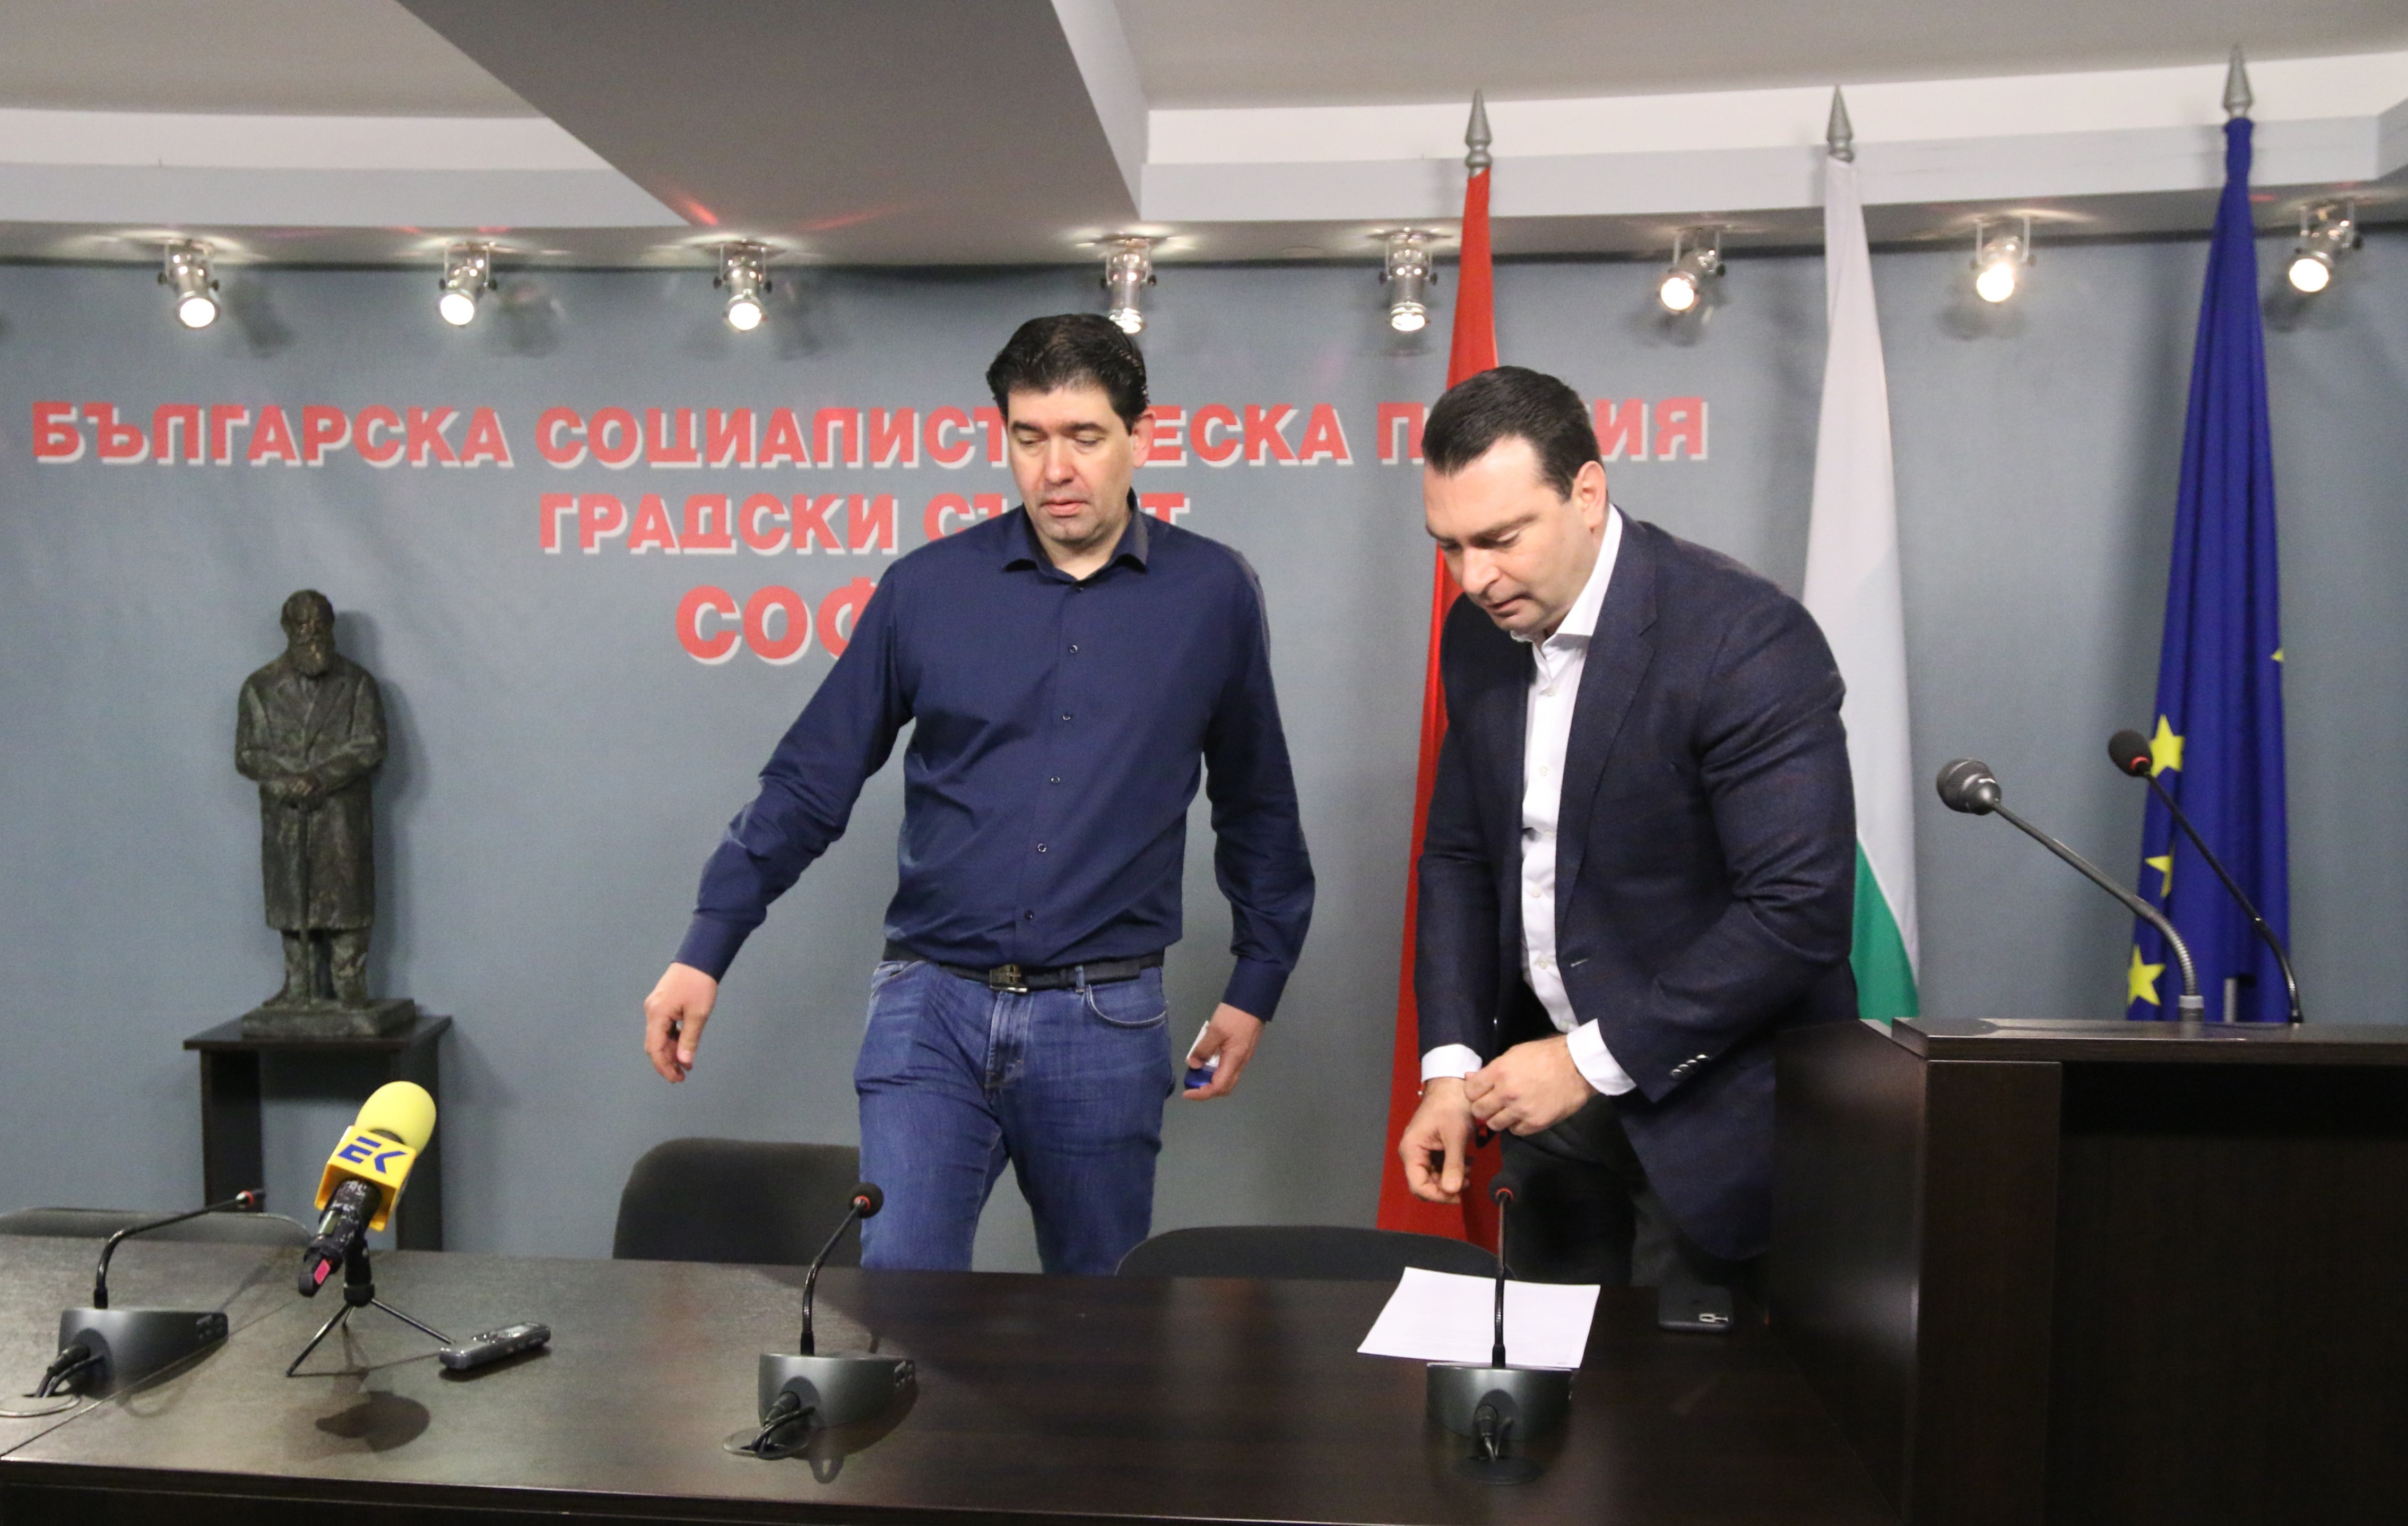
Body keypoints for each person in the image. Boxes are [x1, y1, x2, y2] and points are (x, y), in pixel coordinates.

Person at [643, 314, 1314, 1275]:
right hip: (929, 1007)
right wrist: (705, 947)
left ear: (1141, 435)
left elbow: (1256, 804)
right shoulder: (927, 588)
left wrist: (1255, 982)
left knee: (1098, 1321)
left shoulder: (1212, 593)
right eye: (1028, 437)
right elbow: (808, 781)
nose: (1055, 469)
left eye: (1084, 437)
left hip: (1104, 1018)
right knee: (900, 1302)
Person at [1396, 366, 1855, 1295]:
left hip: (1713, 1117)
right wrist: (1449, 1066)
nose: (1473, 578)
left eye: (1499, 539)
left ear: (1587, 493)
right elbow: (1459, 857)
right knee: (1545, 1380)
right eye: (1449, 546)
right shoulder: (1477, 633)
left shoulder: (1743, 637)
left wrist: (1587, 1059)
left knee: (1688, 1392)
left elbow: (1796, 910)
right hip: (1545, 1115)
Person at [236, 589, 388, 1009]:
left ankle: (349, 983)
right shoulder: (261, 686)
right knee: (292, 899)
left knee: (346, 900)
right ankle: (300, 984)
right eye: (303, 624)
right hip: (287, 813)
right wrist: (284, 781)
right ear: (287, 628)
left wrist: (320, 777)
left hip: (340, 811)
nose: (312, 632)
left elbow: (371, 744)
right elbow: (248, 752)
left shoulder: (357, 683)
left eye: (320, 622)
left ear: (331, 626)